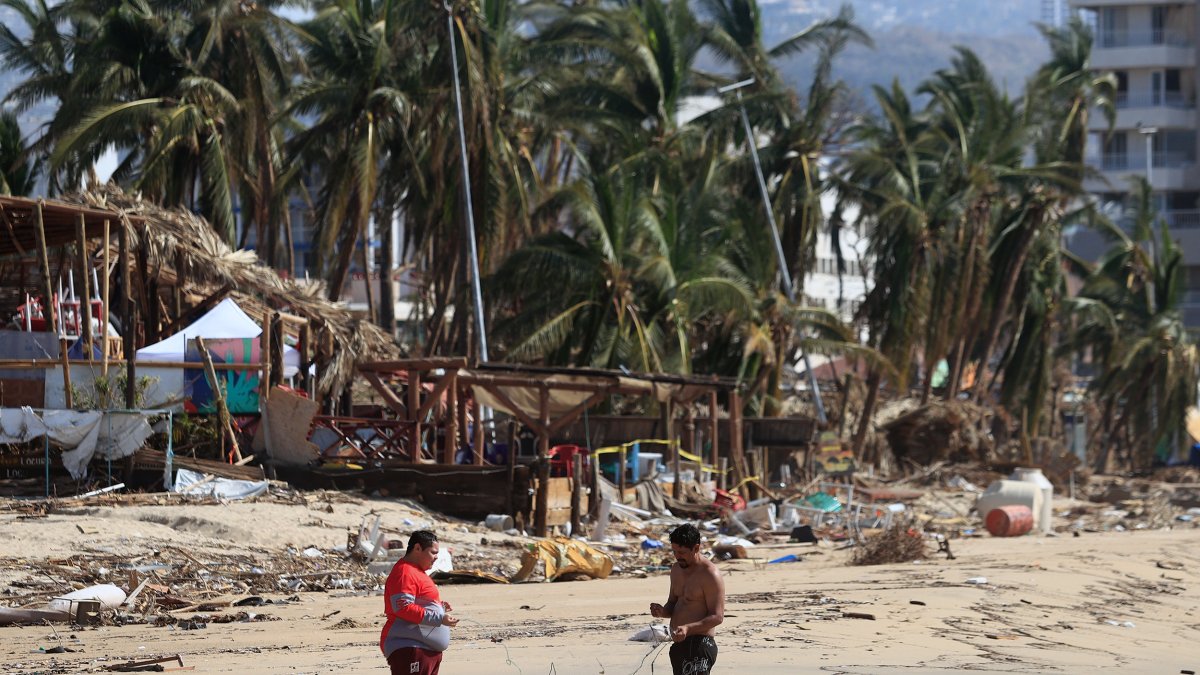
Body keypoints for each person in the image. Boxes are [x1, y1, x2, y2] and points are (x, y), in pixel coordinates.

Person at [650, 523, 725, 675]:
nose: (677, 556)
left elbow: (717, 617)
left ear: (696, 548)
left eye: (682, 552)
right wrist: (662, 611)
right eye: (674, 551)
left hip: (700, 644)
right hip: (679, 645)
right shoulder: (676, 569)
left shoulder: (710, 575)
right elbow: (673, 603)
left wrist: (688, 628)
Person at [380, 530, 458, 674]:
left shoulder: (417, 571)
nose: (436, 557)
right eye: (433, 553)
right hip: (410, 647)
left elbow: (418, 601)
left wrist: (439, 607)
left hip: (425, 649)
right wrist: (439, 618)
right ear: (417, 548)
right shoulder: (405, 572)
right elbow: (403, 608)